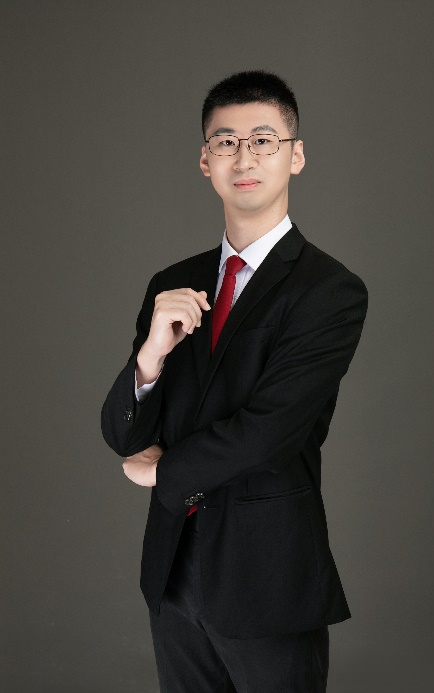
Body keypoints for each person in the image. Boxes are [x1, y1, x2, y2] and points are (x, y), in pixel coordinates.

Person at [101, 70, 368, 692]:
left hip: (267, 576)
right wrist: (150, 357)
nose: (244, 158)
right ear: (205, 160)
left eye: (264, 140)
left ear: (295, 156)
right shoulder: (172, 285)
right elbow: (125, 436)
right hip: (172, 571)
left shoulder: (329, 290)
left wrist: (164, 471)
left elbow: (271, 431)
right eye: (226, 142)